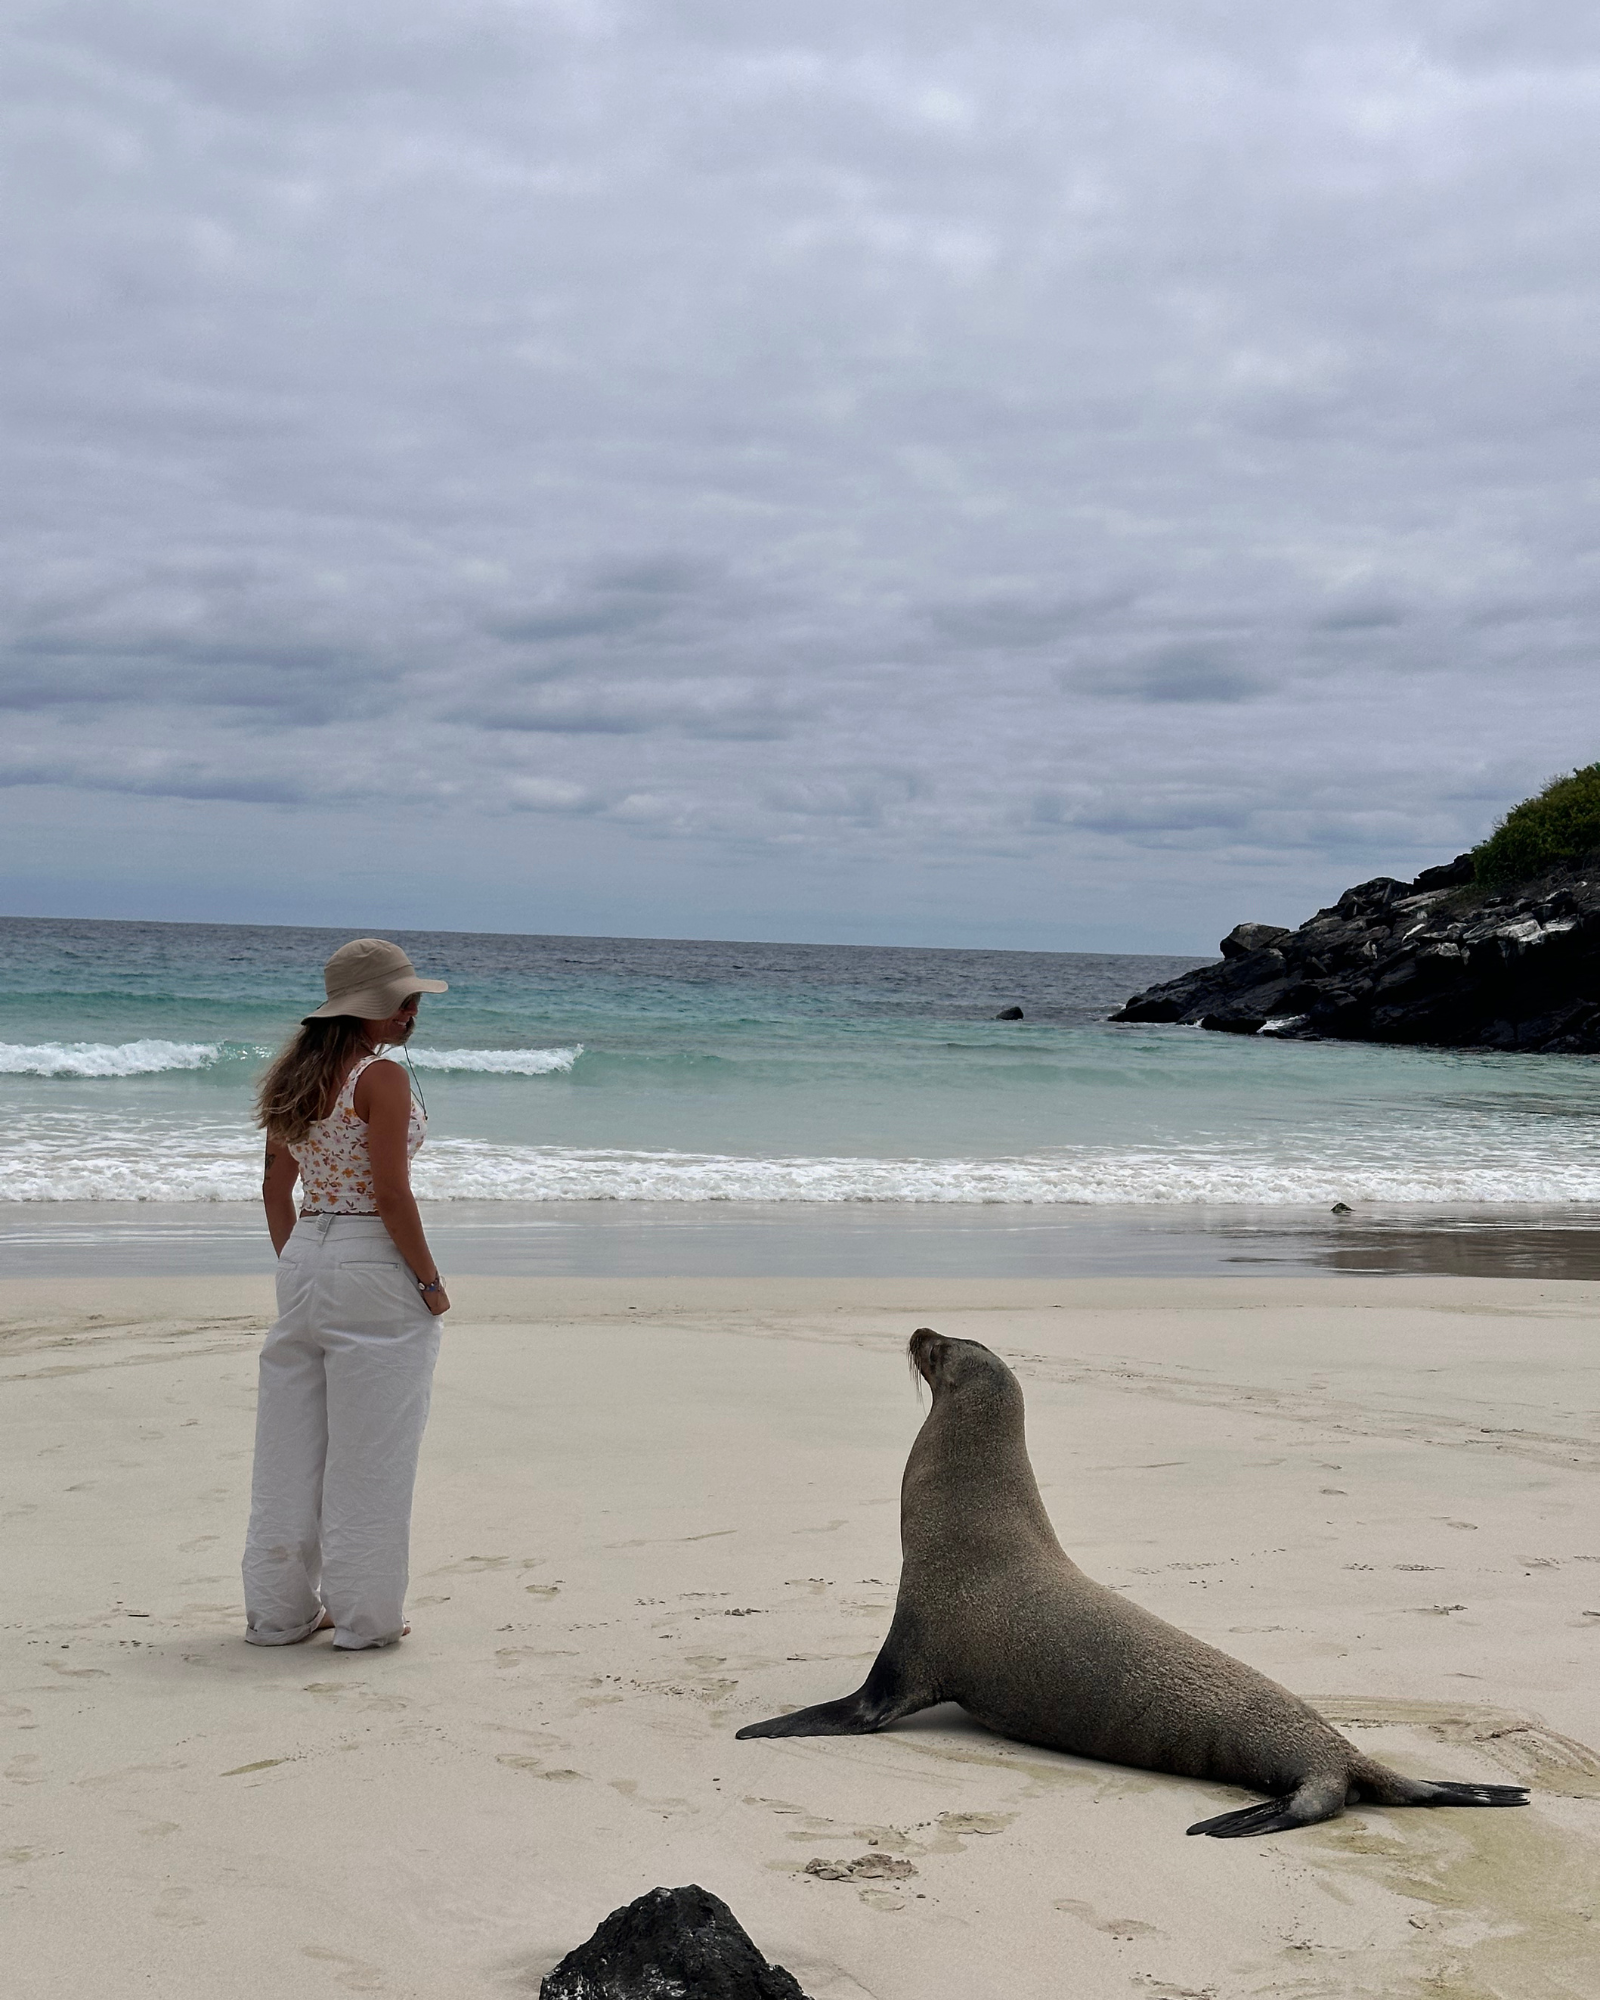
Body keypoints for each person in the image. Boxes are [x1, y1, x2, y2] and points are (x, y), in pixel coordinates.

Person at [242, 937, 451, 1650]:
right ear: (367, 1009)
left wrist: (302, 1266)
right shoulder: (379, 1077)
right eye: (401, 1002)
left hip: (306, 1253)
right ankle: (364, 1620)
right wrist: (429, 1281)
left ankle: (277, 1615)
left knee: (287, 1449)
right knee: (373, 1452)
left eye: (412, 1002)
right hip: (371, 1259)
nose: (411, 1013)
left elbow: (276, 1189)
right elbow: (391, 1194)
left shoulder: (295, 1075)